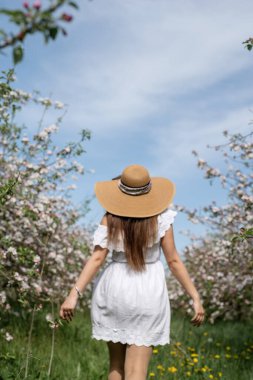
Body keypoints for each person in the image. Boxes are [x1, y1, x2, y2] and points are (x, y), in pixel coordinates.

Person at [59, 164, 205, 380]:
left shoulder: (109, 218)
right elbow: (173, 260)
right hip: (147, 290)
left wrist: (74, 295)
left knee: (115, 366)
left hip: (114, 289)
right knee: (137, 371)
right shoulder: (162, 218)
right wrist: (195, 297)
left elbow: (97, 258)